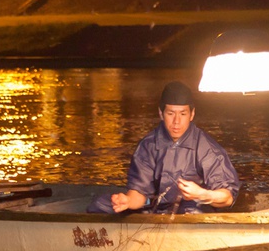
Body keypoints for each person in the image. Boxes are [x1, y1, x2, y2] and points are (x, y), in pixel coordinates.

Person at [87, 81, 240, 214]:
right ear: (161, 113)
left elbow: (227, 197)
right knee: (100, 204)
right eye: (171, 113)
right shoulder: (148, 145)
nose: (176, 122)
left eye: (183, 114)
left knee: (190, 211)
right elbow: (140, 193)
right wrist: (127, 201)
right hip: (155, 208)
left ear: (192, 114)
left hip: (192, 208)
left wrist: (201, 194)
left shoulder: (207, 149)